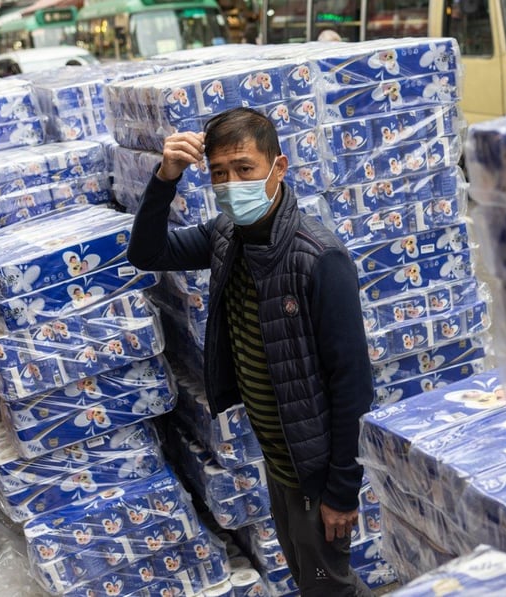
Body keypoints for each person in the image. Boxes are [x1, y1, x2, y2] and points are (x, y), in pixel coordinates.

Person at [127, 108, 374, 597]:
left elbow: (353, 382)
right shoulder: (226, 237)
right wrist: (165, 177)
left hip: (316, 468)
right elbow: (147, 253)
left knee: (329, 585)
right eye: (219, 173)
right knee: (311, 578)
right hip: (279, 457)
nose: (231, 182)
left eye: (244, 168)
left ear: (277, 168)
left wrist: (342, 489)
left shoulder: (319, 257)